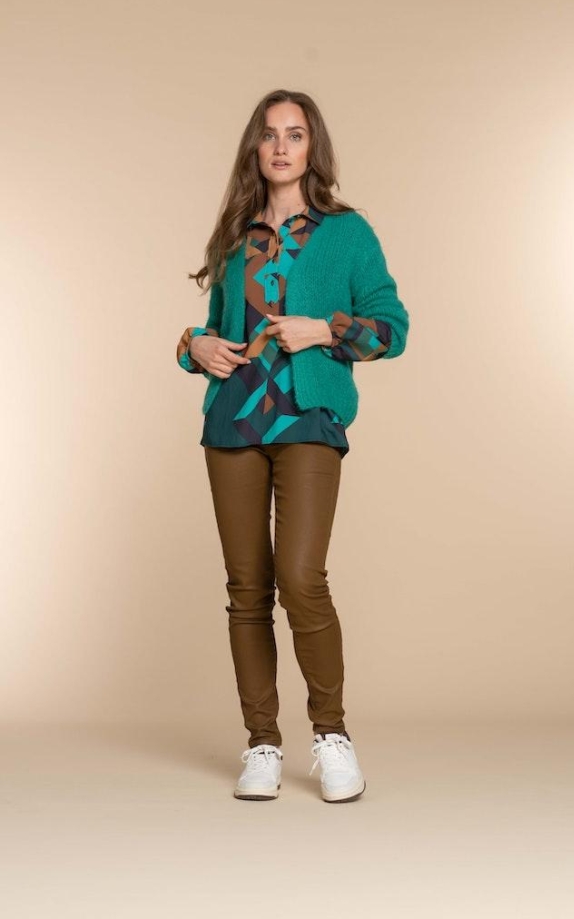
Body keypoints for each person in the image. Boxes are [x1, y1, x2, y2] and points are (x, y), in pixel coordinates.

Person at [176, 89, 409, 802]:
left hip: (308, 419)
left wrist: (326, 330)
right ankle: (262, 744)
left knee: (302, 579)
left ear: (313, 147)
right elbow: (213, 331)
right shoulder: (234, 235)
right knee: (247, 588)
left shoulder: (347, 234)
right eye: (270, 134)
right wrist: (192, 344)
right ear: (255, 147)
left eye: (296, 134)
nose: (281, 146)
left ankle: (331, 736)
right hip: (233, 424)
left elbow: (392, 329)